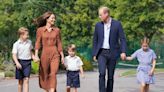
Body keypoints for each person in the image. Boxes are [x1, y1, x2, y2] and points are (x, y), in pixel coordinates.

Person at [92, 6, 127, 92]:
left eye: (100, 15)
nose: (99, 17)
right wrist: (94, 53)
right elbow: (95, 40)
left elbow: (122, 39)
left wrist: (123, 52)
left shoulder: (117, 24)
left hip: (113, 53)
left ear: (106, 14)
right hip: (101, 53)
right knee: (102, 73)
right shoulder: (98, 25)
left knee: (110, 76)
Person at [34, 11, 64, 92]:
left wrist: (62, 56)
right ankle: (50, 90)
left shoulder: (57, 30)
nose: (54, 20)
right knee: (45, 75)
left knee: (53, 74)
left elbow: (59, 43)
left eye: (54, 18)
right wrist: (36, 55)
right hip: (44, 53)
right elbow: (37, 42)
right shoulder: (40, 30)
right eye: (52, 18)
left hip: (55, 53)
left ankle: (52, 90)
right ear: (47, 19)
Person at [12, 27, 35, 92]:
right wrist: (17, 63)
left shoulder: (29, 42)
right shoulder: (16, 44)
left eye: (28, 34)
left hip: (27, 63)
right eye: (26, 35)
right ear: (21, 35)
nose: (28, 36)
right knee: (20, 82)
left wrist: (34, 57)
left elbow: (30, 51)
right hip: (19, 62)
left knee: (26, 80)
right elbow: (14, 55)